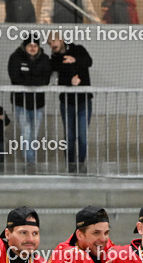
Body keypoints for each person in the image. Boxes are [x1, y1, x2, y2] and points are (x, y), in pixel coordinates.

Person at [49, 36, 93, 174]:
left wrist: (75, 60)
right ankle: (71, 164)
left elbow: (88, 62)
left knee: (82, 136)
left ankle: (80, 163)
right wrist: (70, 82)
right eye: (49, 43)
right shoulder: (55, 59)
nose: (52, 44)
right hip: (67, 102)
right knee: (69, 136)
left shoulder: (78, 49)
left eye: (54, 41)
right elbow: (59, 77)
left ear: (61, 40)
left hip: (83, 101)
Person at [8, 37, 52, 168]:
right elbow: (15, 78)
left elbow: (45, 80)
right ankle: (30, 161)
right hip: (21, 103)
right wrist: (34, 80)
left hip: (38, 103)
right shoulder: (15, 57)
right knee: (26, 131)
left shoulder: (44, 59)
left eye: (35, 46)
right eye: (30, 46)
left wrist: (27, 79)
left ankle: (30, 157)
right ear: (25, 46)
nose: (32, 48)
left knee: (34, 133)